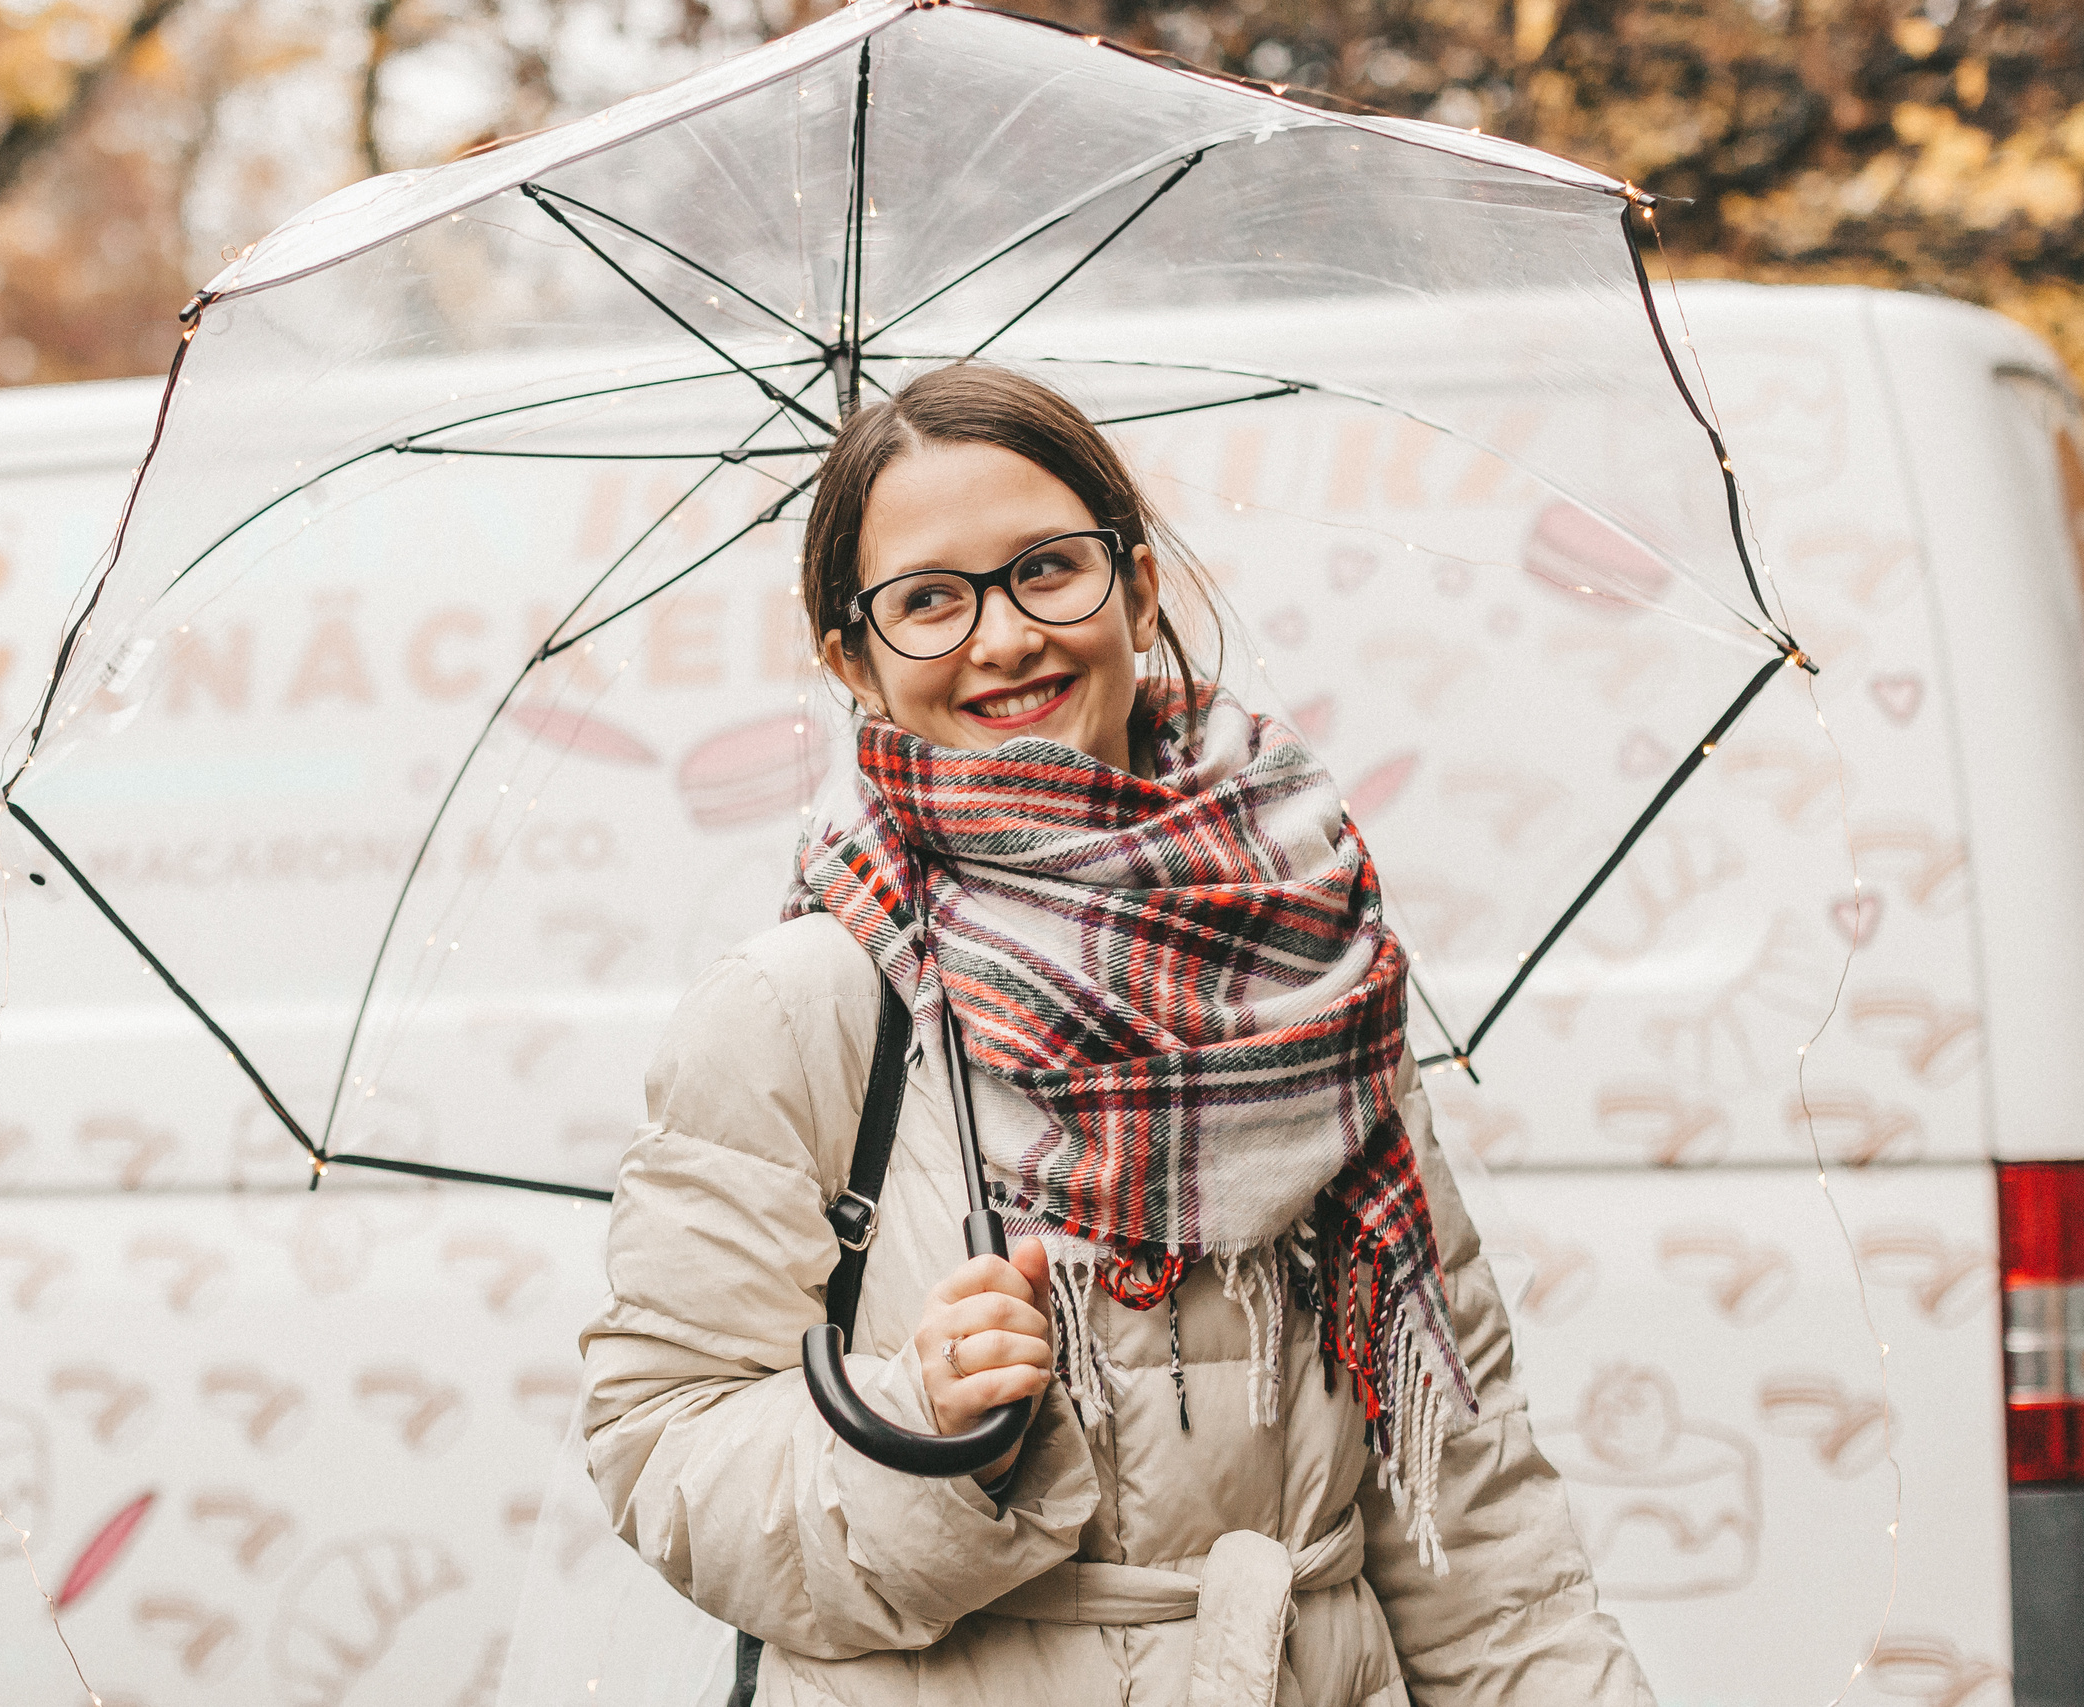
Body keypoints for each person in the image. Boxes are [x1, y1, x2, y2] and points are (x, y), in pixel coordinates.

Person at [580, 363, 1650, 1707]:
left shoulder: (1309, 961)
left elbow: (1476, 1524)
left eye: (1046, 570)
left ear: (1138, 590)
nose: (1003, 637)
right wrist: (921, 1421)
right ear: (852, 660)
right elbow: (661, 1445)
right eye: (927, 599)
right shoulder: (806, 1002)